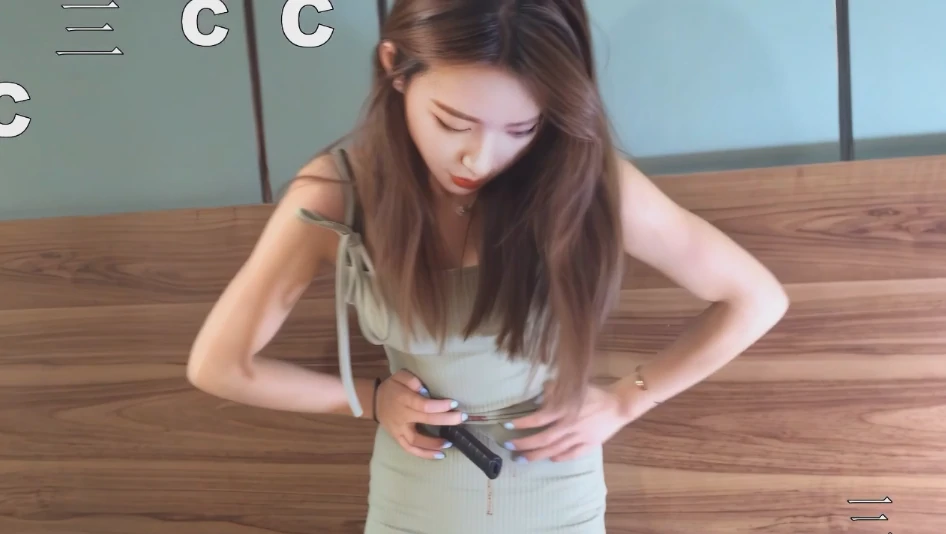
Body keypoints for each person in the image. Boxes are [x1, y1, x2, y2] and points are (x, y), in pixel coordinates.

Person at [185, 0, 789, 532]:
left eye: (521, 129)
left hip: (557, 495)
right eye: (453, 123)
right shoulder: (337, 193)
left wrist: (631, 399)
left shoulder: (583, 182)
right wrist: (369, 399)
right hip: (414, 499)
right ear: (396, 68)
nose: (481, 157)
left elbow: (756, 298)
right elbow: (218, 365)